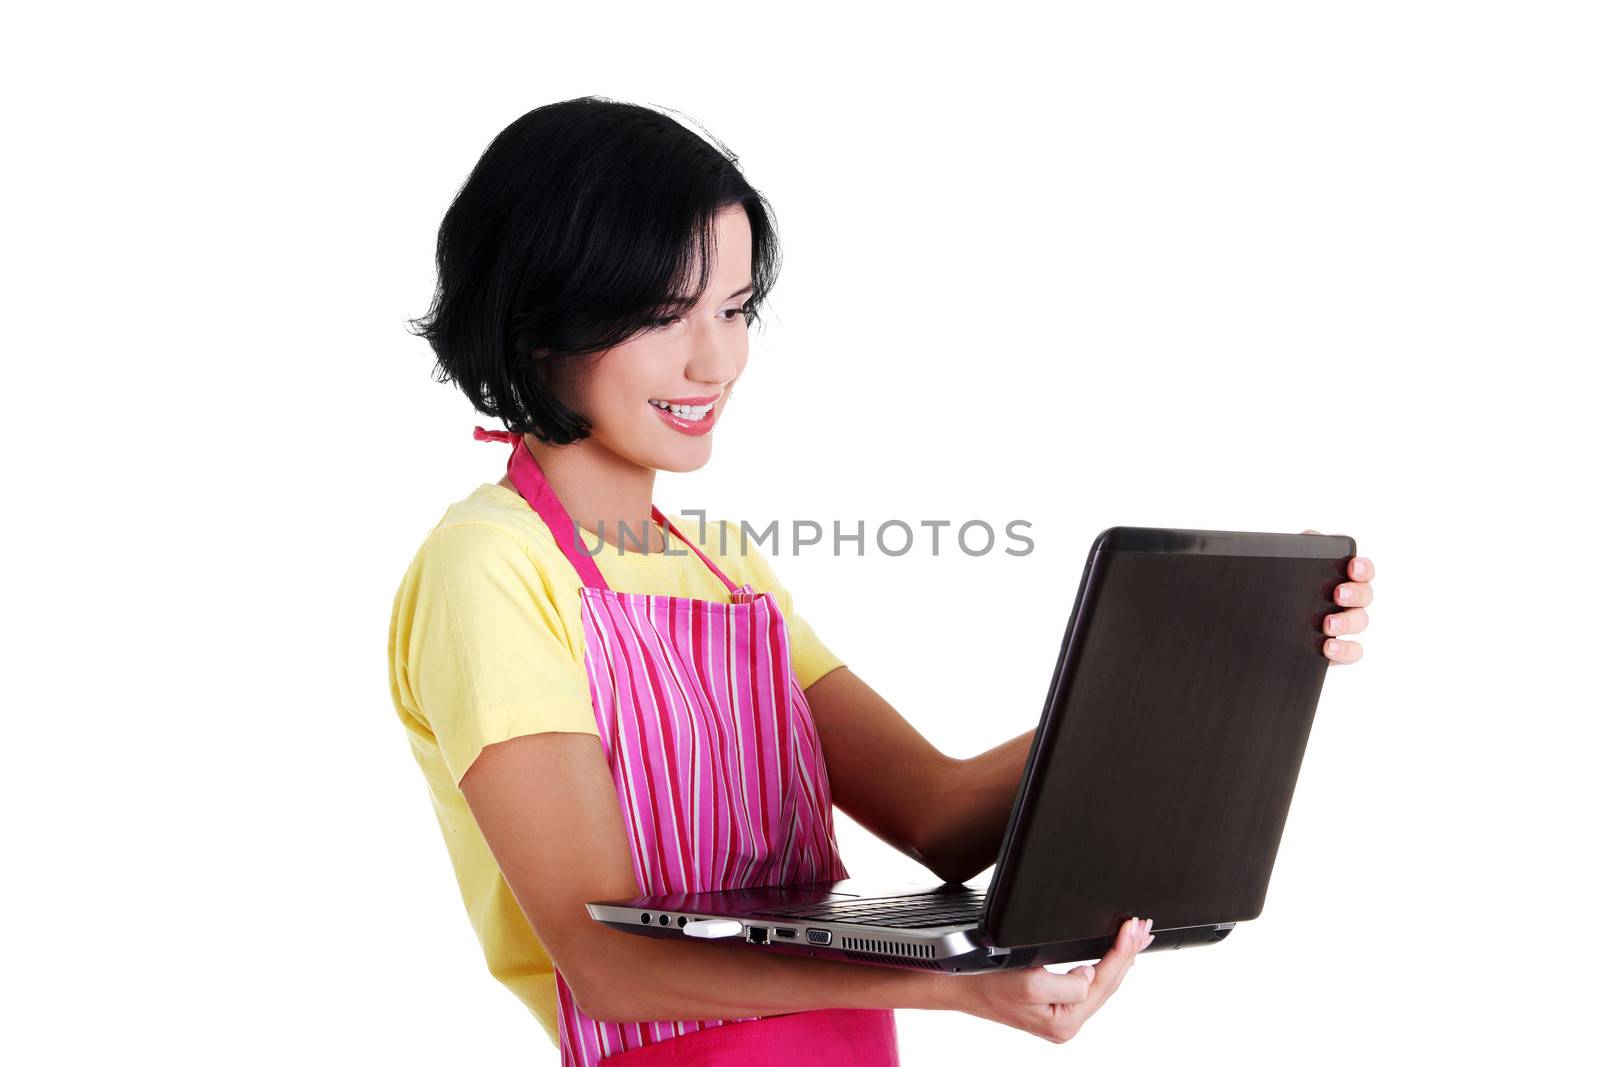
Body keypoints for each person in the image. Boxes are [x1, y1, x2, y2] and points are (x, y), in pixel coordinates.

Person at [386, 96, 1376, 1065]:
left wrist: (1197, 665)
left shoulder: (724, 568)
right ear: (538, 320)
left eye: (734, 308)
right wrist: (951, 982)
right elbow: (611, 963)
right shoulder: (490, 566)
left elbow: (939, 813)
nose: (715, 358)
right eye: (660, 314)